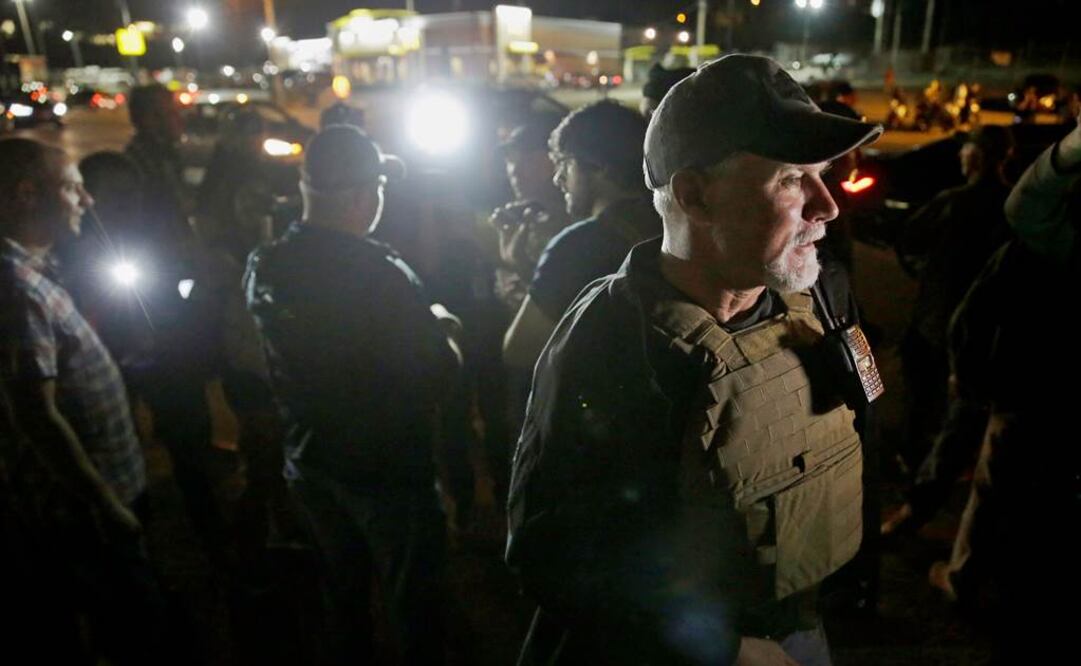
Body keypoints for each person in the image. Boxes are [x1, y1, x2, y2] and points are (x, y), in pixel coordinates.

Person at [506, 54, 882, 666]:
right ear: (695, 195)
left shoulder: (818, 290)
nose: (827, 205)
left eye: (823, 173)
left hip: (801, 629)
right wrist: (726, 648)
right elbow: (555, 558)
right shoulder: (615, 343)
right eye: (791, 178)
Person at [244, 125, 460, 665]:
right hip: (388, 473)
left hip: (311, 460)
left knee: (343, 599)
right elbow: (439, 371)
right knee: (417, 608)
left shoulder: (266, 264)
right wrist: (444, 325)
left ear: (304, 183)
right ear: (367, 195)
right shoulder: (382, 275)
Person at [0, 138, 168, 665]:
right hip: (85, 509)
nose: (86, 201)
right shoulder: (15, 286)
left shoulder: (34, 269)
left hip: (98, 496)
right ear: (28, 195)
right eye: (72, 187)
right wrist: (104, 501)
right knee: (129, 627)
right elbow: (35, 413)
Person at [925, 115, 1080, 662]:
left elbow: (1025, 211)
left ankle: (969, 580)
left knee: (996, 486)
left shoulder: (1043, 239)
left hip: (1035, 391)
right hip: (1040, 391)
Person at [891, 126, 1015, 480]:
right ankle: (945, 469)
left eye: (967, 150)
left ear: (976, 156)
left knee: (922, 399)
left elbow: (908, 240)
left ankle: (915, 470)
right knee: (963, 407)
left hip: (936, 321)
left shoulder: (954, 202)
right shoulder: (1013, 206)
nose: (961, 156)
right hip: (986, 327)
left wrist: (924, 273)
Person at [502, 101, 660, 371]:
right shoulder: (668, 224)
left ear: (597, 166)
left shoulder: (579, 244)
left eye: (564, 162)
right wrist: (527, 270)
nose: (558, 178)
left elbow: (519, 351)